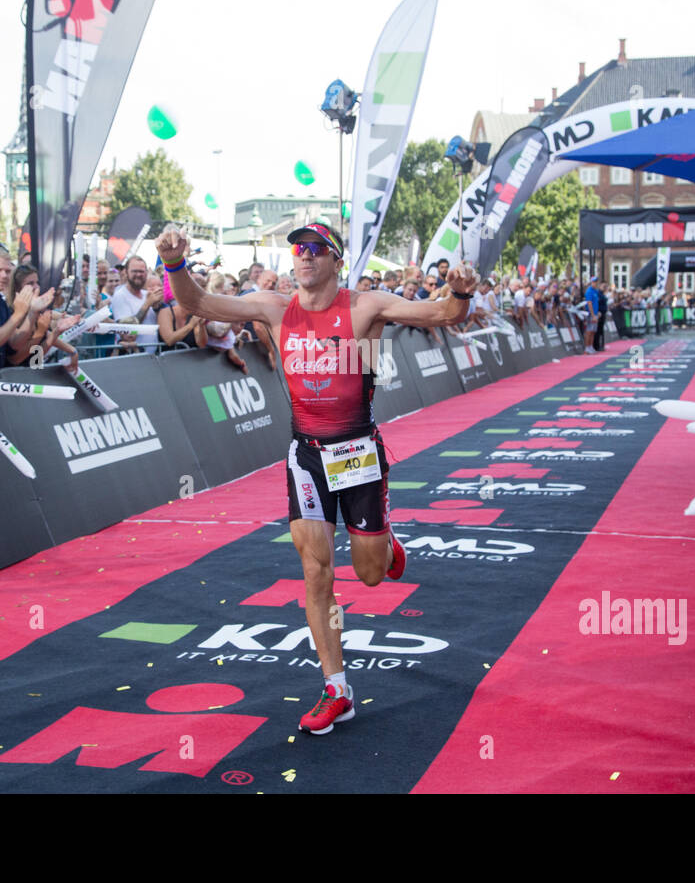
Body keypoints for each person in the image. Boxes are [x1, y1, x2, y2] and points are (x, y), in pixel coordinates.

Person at [155, 220, 478, 735]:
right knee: (316, 573)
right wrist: (174, 262)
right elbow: (198, 304)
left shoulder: (365, 305)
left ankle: (385, 539)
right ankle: (337, 688)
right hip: (306, 455)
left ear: (334, 259)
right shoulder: (273, 307)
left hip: (357, 454)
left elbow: (442, 312)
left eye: (313, 249)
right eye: (296, 250)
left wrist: (460, 291)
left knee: (371, 574)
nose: (302, 257)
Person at [0, 249, 53, 374]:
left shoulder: (0, 303)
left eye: (7, 271)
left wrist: (33, 313)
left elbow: (14, 344)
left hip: (2, 378)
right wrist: (20, 315)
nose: (4, 275)